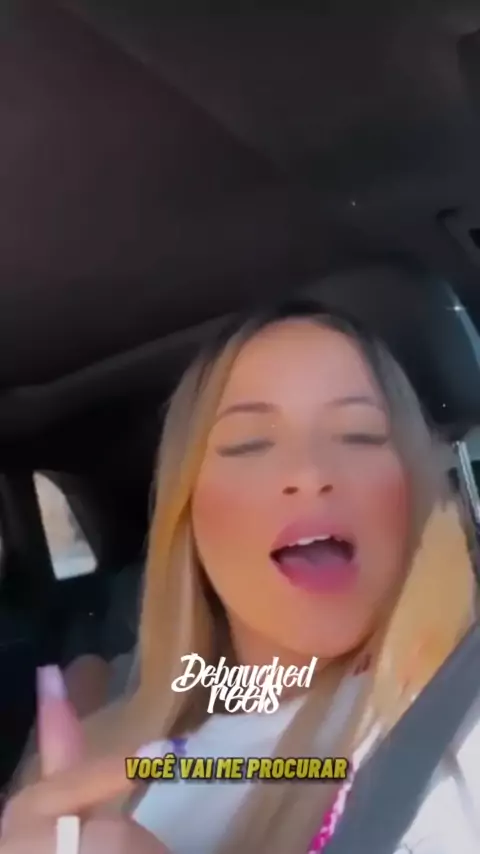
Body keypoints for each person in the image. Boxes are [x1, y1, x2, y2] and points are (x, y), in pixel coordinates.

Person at [1, 298, 478, 854]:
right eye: (249, 443)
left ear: (413, 492)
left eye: (358, 434)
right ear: (188, 515)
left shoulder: (456, 724)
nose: (310, 472)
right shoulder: (106, 756)